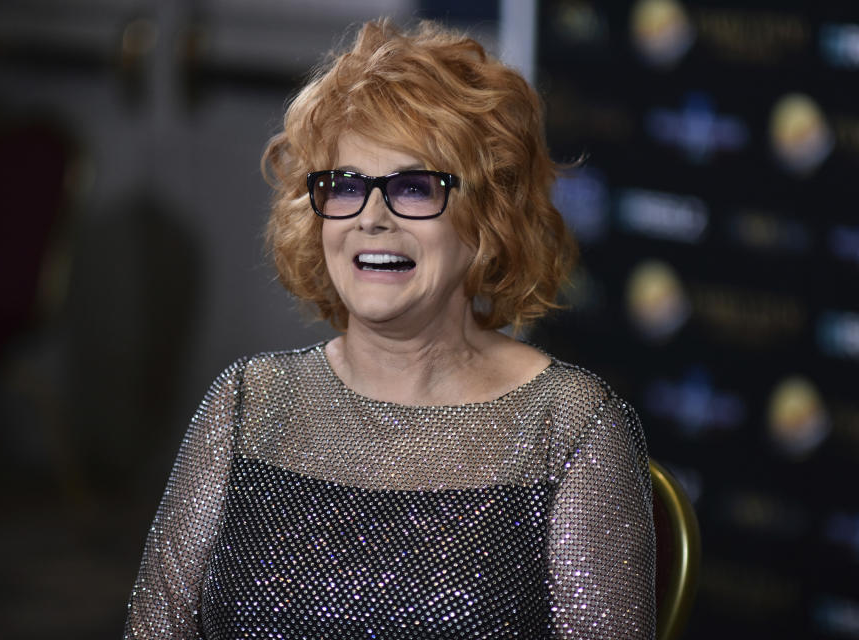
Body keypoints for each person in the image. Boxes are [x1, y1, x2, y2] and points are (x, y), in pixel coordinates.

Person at [124, 18, 655, 640]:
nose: (372, 218)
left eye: (414, 187)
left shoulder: (569, 429)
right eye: (345, 186)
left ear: (489, 217)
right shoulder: (246, 405)